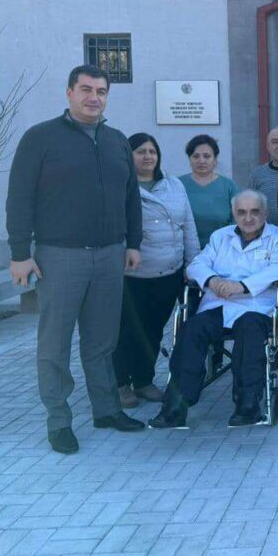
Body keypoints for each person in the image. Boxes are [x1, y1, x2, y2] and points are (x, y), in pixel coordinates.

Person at [6, 65, 145, 454]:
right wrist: (20, 254)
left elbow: (131, 197)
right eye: (85, 89)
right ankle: (58, 420)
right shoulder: (40, 138)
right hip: (59, 256)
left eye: (101, 91)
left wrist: (133, 243)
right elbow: (19, 197)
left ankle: (106, 409)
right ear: (69, 93)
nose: (93, 98)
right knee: (55, 344)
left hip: (109, 255)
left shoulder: (117, 141)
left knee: (102, 342)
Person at [149, 190, 278, 429]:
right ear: (234, 214)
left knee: (250, 330)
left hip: (256, 308)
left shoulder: (276, 236)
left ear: (265, 214)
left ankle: (247, 404)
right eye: (241, 212)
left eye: (255, 212)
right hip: (218, 304)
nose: (248, 218)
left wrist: (241, 286)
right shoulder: (220, 237)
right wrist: (213, 280)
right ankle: (175, 406)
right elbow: (197, 264)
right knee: (192, 329)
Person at [114, 133, 200, 409]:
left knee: (152, 330)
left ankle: (143, 380)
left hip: (169, 273)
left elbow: (188, 226)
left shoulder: (173, 184)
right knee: (127, 331)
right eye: (141, 151)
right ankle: (121, 384)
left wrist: (192, 263)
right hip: (134, 274)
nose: (148, 156)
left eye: (152, 151)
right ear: (129, 156)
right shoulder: (120, 187)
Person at [180, 134, 237, 251]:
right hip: (185, 252)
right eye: (196, 156)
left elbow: (237, 220)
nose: (201, 161)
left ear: (215, 159)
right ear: (189, 159)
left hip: (222, 251)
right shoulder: (178, 185)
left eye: (207, 156)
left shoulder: (229, 186)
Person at [248, 126, 278, 226]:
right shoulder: (258, 174)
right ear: (268, 146)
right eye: (275, 142)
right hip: (267, 234)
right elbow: (249, 206)